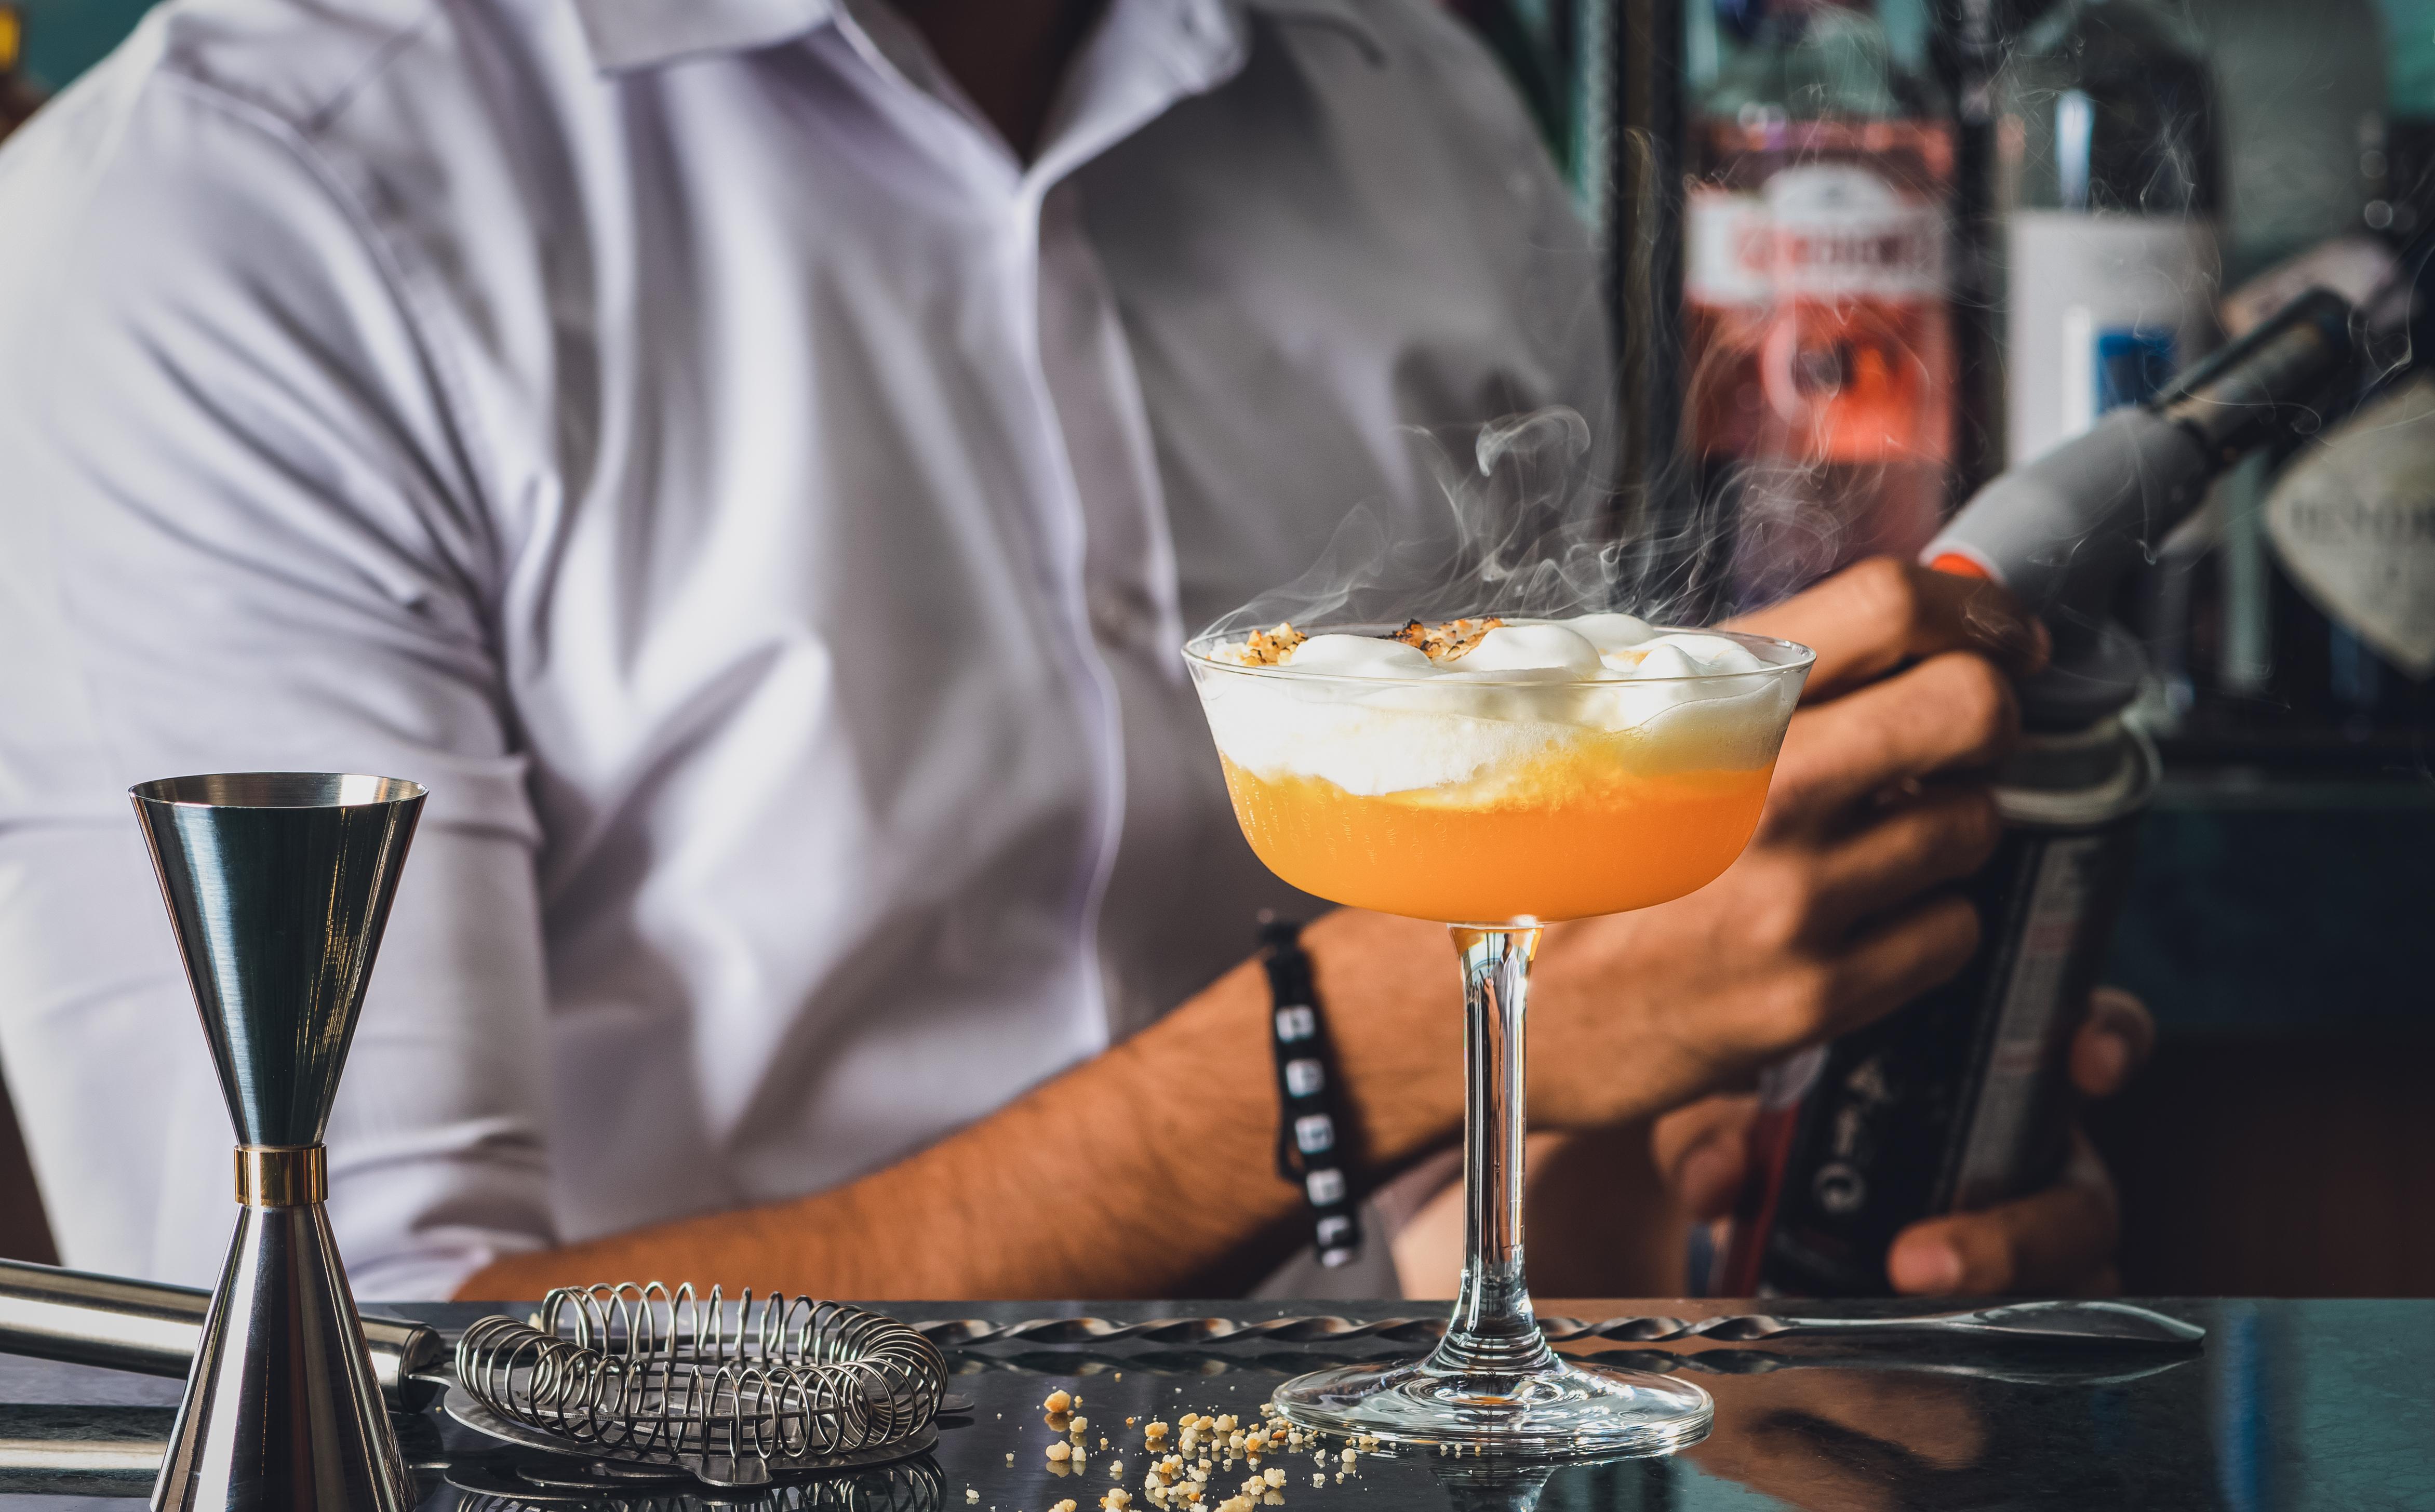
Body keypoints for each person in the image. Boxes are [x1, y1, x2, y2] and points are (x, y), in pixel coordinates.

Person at [0, 0, 2143, 1304]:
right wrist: (1342, 1055)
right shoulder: (237, 209)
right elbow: (346, 1393)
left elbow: (1470, 1237)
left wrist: (1741, 1250)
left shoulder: (1411, 104)